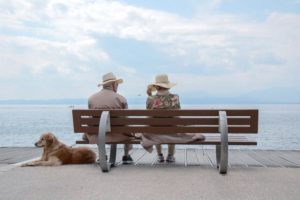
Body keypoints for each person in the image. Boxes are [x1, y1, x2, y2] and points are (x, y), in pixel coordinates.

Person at [84, 72, 134, 164]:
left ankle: (102, 155)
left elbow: (90, 121)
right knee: (128, 127)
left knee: (98, 128)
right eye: (117, 84)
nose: (117, 86)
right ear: (113, 84)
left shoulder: (91, 98)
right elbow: (126, 120)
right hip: (119, 135)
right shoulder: (121, 99)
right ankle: (126, 156)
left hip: (98, 135)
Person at [146, 74, 180, 163]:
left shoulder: (150, 99)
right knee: (173, 126)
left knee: (155, 127)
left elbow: (148, 116)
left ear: (156, 87)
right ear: (168, 86)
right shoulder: (175, 97)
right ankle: (170, 155)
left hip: (156, 130)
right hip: (172, 130)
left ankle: (159, 155)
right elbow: (178, 115)